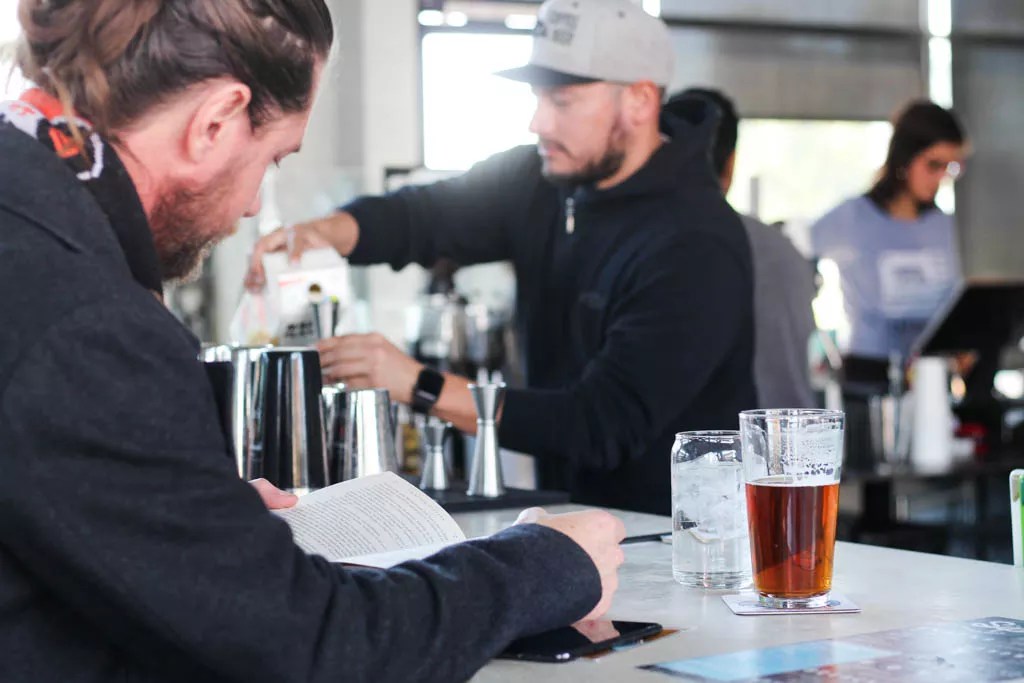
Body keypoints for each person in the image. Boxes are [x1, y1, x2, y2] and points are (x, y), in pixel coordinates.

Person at [0, 2, 627, 682]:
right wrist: (545, 564)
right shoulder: (86, 322)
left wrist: (186, 507)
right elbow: (310, 647)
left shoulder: (27, 223)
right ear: (216, 120)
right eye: (273, 157)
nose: (250, 205)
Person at [246, 0, 757, 515]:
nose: (538, 122)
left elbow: (601, 423)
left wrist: (419, 384)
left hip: (679, 536)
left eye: (562, 101)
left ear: (640, 101)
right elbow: (427, 216)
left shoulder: (695, 241)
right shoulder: (542, 179)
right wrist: (326, 232)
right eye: (537, 97)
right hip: (578, 515)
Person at [663, 88, 817, 409]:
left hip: (711, 437)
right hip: (793, 431)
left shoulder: (656, 247)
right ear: (731, 163)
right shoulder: (783, 250)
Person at [810, 100, 967, 362]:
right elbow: (793, 256)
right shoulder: (852, 218)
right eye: (933, 165)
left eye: (950, 168)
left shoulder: (947, 227)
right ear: (905, 156)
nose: (941, 178)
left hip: (932, 369)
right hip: (868, 369)